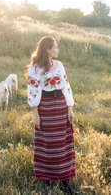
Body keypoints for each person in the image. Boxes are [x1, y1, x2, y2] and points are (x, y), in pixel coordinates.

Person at [26, 36, 76, 194]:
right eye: (55, 47)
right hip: (45, 108)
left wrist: (70, 108)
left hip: (60, 105)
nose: (57, 50)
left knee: (62, 144)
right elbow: (32, 91)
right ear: (47, 49)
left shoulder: (59, 65)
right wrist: (36, 114)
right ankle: (48, 179)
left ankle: (64, 181)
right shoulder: (35, 68)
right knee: (48, 143)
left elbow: (66, 86)